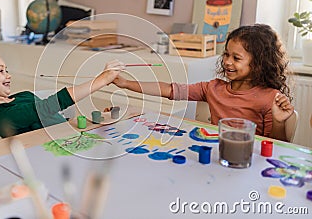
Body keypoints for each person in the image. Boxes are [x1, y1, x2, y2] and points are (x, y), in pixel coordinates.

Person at [113, 24, 294, 141]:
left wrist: (279, 122)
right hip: (215, 156)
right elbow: (169, 90)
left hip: (247, 162)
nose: (228, 62)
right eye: (226, 54)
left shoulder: (270, 98)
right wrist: (127, 83)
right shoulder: (212, 88)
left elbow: (278, 146)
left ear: (259, 64)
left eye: (236, 58)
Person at [0, 49, 124, 137]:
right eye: (0, 71)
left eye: (6, 70)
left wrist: (94, 119)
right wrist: (102, 80)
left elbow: (55, 122)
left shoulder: (24, 96)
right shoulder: (3, 118)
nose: (8, 75)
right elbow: (51, 105)